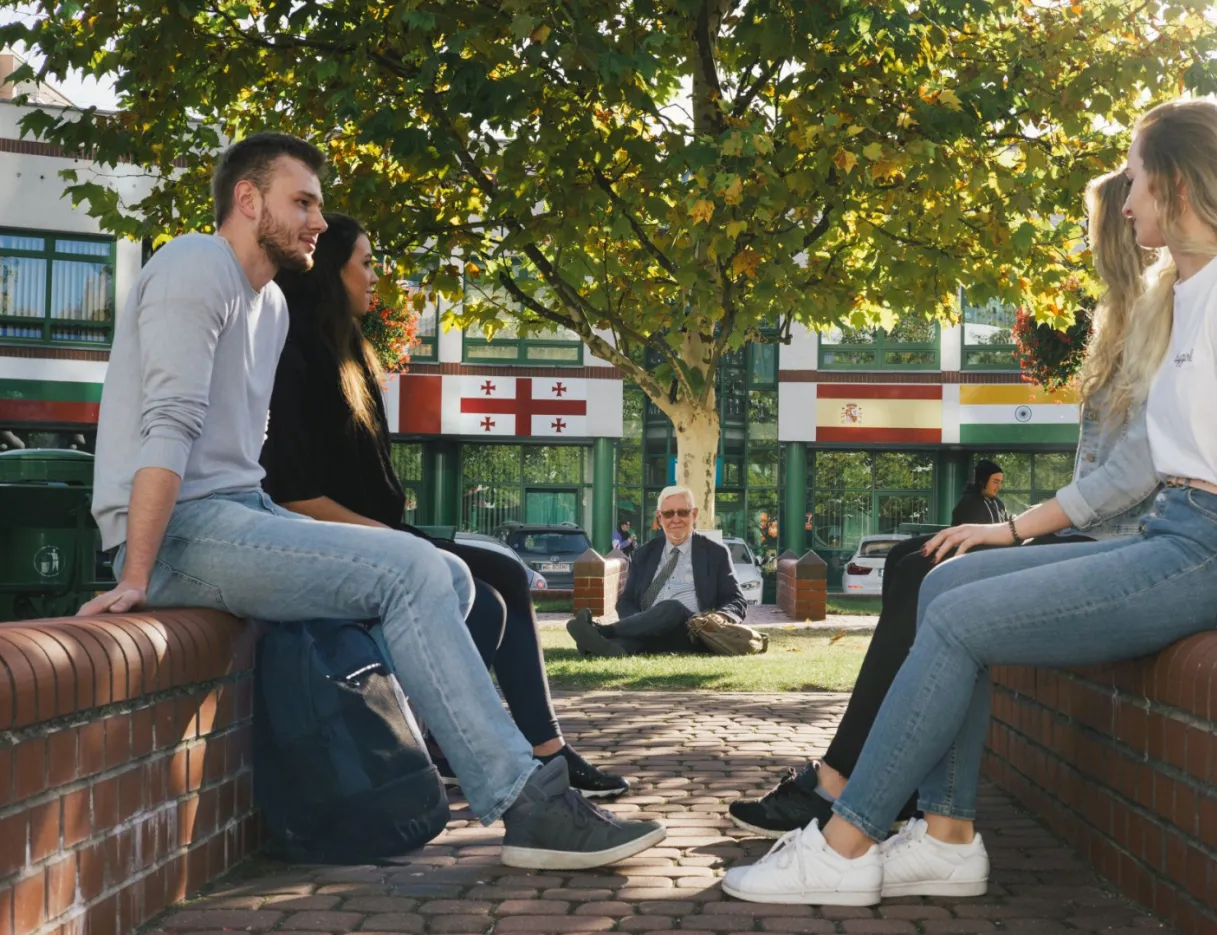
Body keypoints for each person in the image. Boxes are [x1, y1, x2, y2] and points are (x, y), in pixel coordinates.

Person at [722, 98, 1217, 906]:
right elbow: (1162, 457)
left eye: (1139, 181)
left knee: (954, 616)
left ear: (1180, 183)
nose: (1127, 203)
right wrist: (1007, 534)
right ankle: (946, 838)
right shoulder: (1186, 295)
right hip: (1172, 531)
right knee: (942, 585)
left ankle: (843, 844)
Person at [79, 133, 663, 869]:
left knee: (446, 575)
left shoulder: (271, 310)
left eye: (318, 204)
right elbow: (169, 426)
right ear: (247, 200)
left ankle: (381, 763)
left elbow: (243, 465)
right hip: (178, 531)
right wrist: (136, 573)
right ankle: (528, 801)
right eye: (303, 202)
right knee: (411, 573)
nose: (318, 220)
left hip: (239, 513)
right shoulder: (197, 264)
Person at [728, 168, 1159, 838]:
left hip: (1120, 544)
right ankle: (857, 780)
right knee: (910, 559)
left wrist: (1014, 529)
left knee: (929, 570)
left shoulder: (1164, 323)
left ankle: (843, 782)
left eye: (1093, 227)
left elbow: (1133, 475)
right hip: (1098, 536)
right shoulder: (1123, 321)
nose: (1085, 243)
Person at [259, 212, 627, 799]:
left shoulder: (347, 349)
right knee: (484, 604)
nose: (377, 276)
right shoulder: (298, 351)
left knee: (506, 571)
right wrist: (396, 542)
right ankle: (439, 743)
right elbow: (294, 492)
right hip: (337, 540)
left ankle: (542, 746)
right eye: (367, 263)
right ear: (334, 270)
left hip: (377, 533)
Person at [566, 485, 748, 656]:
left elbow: (736, 600)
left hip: (692, 630)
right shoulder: (644, 553)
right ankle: (603, 647)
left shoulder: (715, 552)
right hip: (649, 630)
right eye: (668, 514)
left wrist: (721, 617)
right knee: (629, 644)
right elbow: (626, 601)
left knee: (672, 607)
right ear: (660, 518)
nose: (675, 519)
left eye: (682, 512)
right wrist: (640, 623)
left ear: (694, 514)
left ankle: (603, 631)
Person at [950, 459, 1009, 525]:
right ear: (982, 481)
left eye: (1000, 482)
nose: (999, 487)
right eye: (995, 482)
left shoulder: (998, 503)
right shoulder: (969, 505)